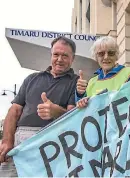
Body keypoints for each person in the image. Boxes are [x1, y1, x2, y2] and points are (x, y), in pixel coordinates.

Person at [0, 36, 79, 176]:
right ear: (51, 55)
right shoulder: (31, 78)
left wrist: (57, 112)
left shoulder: (76, 82)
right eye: (56, 54)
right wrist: (7, 141)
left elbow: (74, 117)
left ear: (73, 58)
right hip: (20, 141)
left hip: (51, 142)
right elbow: (14, 110)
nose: (59, 59)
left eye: (65, 56)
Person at [76, 36, 130, 108]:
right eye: (101, 54)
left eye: (111, 53)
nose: (106, 57)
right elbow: (82, 110)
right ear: (96, 57)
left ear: (116, 56)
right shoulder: (92, 82)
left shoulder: (129, 74)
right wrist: (80, 95)